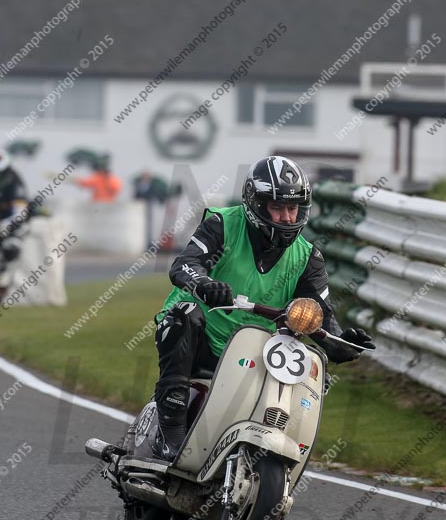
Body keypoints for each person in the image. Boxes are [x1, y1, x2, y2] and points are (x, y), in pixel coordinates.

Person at [152, 155, 374, 462]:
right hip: (201, 340)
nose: (286, 217)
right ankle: (171, 426)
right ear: (256, 205)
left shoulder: (308, 257)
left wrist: (340, 343)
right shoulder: (222, 224)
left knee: (314, 365)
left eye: (292, 208)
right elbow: (184, 264)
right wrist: (203, 283)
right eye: (277, 207)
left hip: (256, 351)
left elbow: (321, 314)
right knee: (184, 315)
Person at [0, 152, 29, 299]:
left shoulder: (14, 182)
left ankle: (3, 280)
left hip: (9, 223)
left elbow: (20, 210)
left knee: (11, 248)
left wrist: (5, 224)